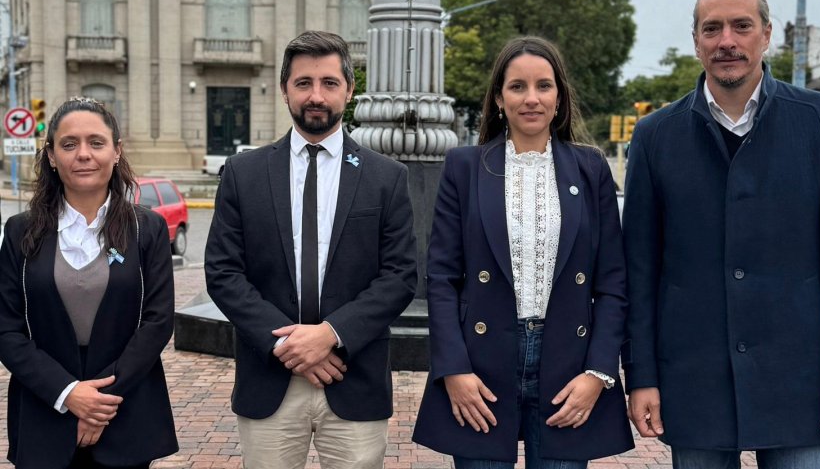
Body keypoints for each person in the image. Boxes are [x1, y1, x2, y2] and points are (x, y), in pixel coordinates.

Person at [622, 0, 820, 468]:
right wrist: (642, 374)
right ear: (695, 41)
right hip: (692, 381)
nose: (727, 42)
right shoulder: (655, 136)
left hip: (804, 384)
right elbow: (640, 268)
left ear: (767, 33)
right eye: (712, 29)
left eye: (742, 26)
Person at [413, 36, 634, 467]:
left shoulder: (591, 169)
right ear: (499, 97)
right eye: (517, 87)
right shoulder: (464, 166)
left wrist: (598, 373)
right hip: (481, 365)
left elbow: (613, 283)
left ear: (559, 97)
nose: (531, 99)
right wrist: (453, 368)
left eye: (543, 86)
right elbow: (441, 277)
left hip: (568, 366)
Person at [205, 30, 417, 469]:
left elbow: (399, 276)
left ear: (349, 90)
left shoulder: (386, 177)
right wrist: (291, 347)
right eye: (303, 83)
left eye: (329, 83)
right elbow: (223, 273)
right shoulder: (244, 174)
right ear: (285, 89)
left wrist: (329, 336)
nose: (316, 95)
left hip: (352, 375)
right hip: (269, 379)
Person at [0, 97, 178, 469]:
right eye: (69, 144)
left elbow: (158, 321)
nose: (83, 154)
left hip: (126, 412)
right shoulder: (20, 231)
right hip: (43, 411)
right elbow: (7, 330)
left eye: (96, 142)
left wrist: (98, 402)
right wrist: (68, 394)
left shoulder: (147, 228)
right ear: (51, 155)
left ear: (116, 151)